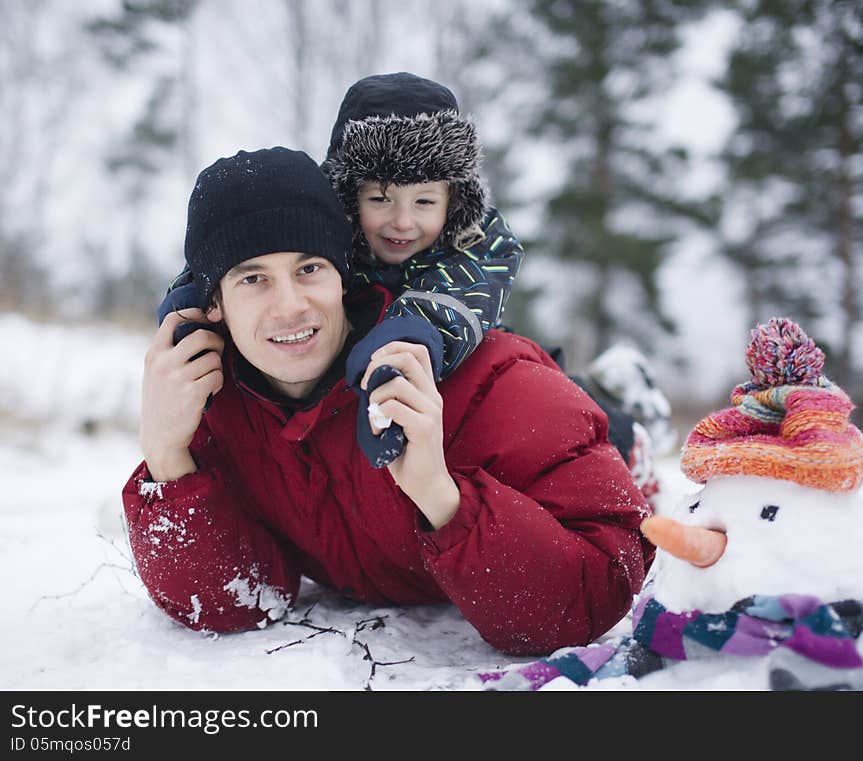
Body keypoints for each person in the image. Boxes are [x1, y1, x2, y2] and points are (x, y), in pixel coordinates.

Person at [124, 146, 655, 656]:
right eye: (253, 278)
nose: (290, 305)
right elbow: (239, 601)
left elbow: (602, 588)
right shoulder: (215, 409)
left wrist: (442, 496)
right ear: (213, 302)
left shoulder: (493, 380)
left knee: (615, 425)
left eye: (309, 268)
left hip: (605, 448)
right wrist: (168, 460)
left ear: (342, 277)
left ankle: (624, 400)